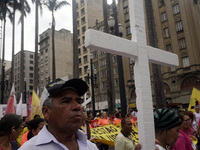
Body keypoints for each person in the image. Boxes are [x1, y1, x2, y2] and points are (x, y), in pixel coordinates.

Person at [19, 78, 98, 150]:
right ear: (46, 112)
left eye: (79, 101)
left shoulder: (91, 147)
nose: (77, 106)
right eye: (66, 101)